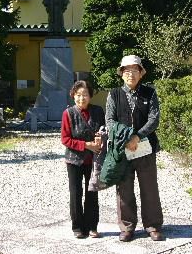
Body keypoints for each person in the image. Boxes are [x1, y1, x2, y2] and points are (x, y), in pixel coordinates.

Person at [105, 55, 165, 242]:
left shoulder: (150, 93)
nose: (131, 73)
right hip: (123, 150)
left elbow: (154, 119)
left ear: (141, 73)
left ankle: (153, 225)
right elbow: (110, 121)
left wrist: (137, 136)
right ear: (122, 73)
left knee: (149, 188)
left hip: (145, 148)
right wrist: (125, 139)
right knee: (124, 189)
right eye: (127, 70)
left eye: (135, 70)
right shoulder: (114, 94)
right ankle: (127, 227)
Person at [61, 80, 105, 239]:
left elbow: (103, 129)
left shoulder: (98, 111)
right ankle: (77, 227)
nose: (82, 98)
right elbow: (65, 139)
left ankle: (92, 226)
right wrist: (86, 145)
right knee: (75, 193)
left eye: (85, 95)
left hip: (94, 160)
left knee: (92, 192)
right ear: (73, 96)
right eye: (78, 95)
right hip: (74, 160)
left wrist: (101, 138)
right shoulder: (68, 113)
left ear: (90, 96)